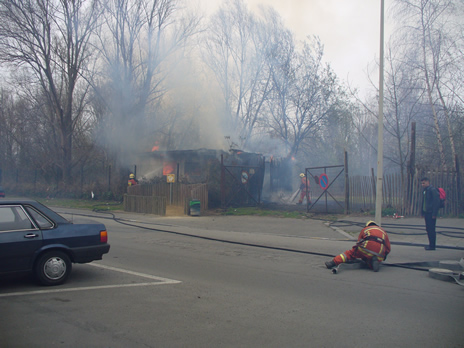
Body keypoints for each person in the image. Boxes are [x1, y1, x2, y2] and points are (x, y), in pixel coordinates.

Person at [325, 221, 391, 272]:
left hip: (366, 249)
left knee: (349, 254)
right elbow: (388, 248)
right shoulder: (383, 231)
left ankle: (333, 262)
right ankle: (373, 261)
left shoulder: (365, 229)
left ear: (368, 225)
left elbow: (359, 242)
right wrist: (383, 256)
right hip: (379, 255)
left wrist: (356, 252)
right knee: (369, 260)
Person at [421, 177, 440, 250]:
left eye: (424, 183)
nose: (422, 185)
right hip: (426, 212)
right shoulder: (426, 191)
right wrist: (422, 212)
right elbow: (424, 202)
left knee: (431, 229)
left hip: (431, 213)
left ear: (428, 182)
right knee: (428, 229)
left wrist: (434, 213)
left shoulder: (432, 190)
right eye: (422, 183)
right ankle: (430, 244)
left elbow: (436, 202)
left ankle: (432, 245)